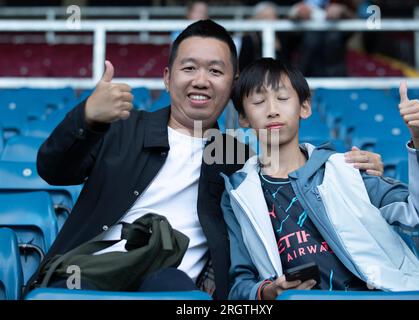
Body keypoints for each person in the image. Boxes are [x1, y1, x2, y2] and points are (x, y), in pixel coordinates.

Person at [29, 20, 383, 299]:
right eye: (189, 69)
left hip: (173, 286)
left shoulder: (238, 156)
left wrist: (353, 171)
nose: (201, 80)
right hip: (88, 275)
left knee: (176, 292)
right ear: (168, 78)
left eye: (215, 71)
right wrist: (87, 117)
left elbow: (295, 174)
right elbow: (52, 168)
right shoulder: (123, 128)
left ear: (233, 86)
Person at [221, 57, 419, 300]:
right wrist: (270, 291)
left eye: (283, 98)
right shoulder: (238, 195)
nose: (272, 110)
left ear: (305, 107)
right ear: (243, 118)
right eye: (258, 101)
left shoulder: (346, 169)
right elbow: (240, 285)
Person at [288, 0, 359, 77]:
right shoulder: (302, 7)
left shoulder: (342, 5)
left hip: (336, 76)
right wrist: (296, 12)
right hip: (305, 76)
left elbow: (357, 24)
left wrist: (343, 11)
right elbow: (288, 21)